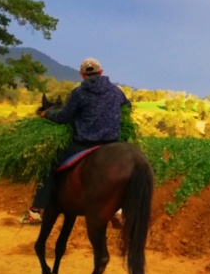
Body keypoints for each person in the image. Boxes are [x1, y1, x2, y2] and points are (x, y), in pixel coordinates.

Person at [25, 57, 131, 223]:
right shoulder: (116, 91)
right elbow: (127, 107)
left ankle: (36, 211)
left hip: (84, 145)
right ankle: (119, 208)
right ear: (101, 72)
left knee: (49, 164)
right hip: (112, 144)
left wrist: (47, 114)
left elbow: (64, 117)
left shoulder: (79, 93)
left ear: (82, 75)